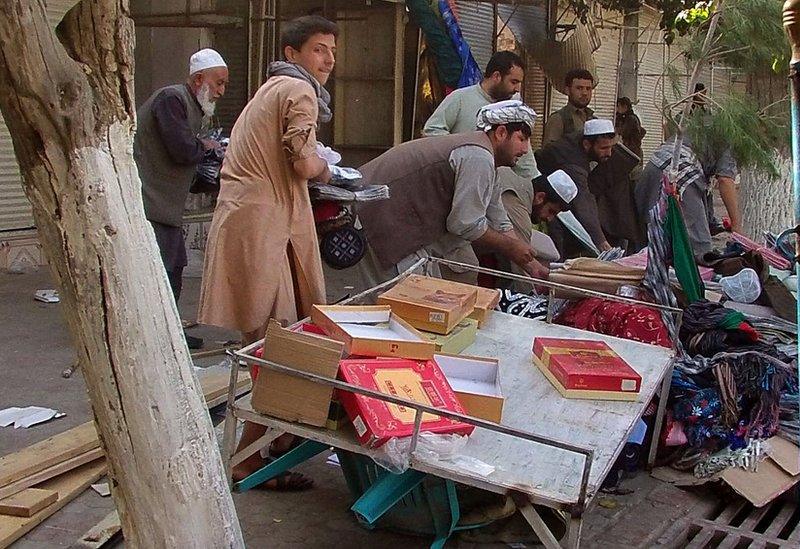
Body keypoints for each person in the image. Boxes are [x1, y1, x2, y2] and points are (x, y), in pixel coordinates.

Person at [198, 15, 339, 490]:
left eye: (332, 51)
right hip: (264, 227)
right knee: (274, 343)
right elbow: (303, 161)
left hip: (255, 220)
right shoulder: (296, 92)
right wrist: (328, 172)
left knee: (278, 337)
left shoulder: (272, 88)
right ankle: (244, 458)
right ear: (293, 52)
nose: (328, 60)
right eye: (319, 49)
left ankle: (274, 440)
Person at [348, 100, 549, 288]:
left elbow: (498, 216)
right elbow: (465, 223)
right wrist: (510, 247)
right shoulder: (478, 157)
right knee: (397, 307)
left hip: (396, 227)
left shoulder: (487, 160)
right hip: (383, 223)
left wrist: (532, 266)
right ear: (501, 133)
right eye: (521, 139)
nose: (525, 149)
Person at [134, 48, 228, 350]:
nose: (220, 92)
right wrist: (207, 146)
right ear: (199, 79)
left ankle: (169, 332)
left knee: (173, 266)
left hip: (164, 204)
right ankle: (161, 335)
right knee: (164, 269)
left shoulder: (192, 107)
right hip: (149, 201)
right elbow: (183, 150)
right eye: (218, 83)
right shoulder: (171, 99)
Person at [422, 51, 541, 283]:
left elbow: (498, 212)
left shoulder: (500, 144)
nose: (516, 89)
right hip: (449, 192)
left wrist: (529, 261)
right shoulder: (463, 104)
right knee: (461, 265)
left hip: (483, 190)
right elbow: (432, 131)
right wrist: (459, 154)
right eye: (513, 81)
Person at [635, 134, 740, 263]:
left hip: (653, 167)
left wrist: (713, 223)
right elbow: (725, 180)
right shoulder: (734, 138)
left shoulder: (705, 127)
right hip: (680, 171)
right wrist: (737, 228)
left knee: (650, 241)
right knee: (700, 250)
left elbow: (704, 191)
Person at [535, 118, 616, 254]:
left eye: (610, 147)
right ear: (586, 144)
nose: (609, 153)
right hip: (541, 202)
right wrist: (602, 242)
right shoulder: (574, 162)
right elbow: (584, 203)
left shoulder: (581, 141)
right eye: (603, 148)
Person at [542, 69, 595, 146]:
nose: (584, 93)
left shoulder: (593, 119)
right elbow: (549, 152)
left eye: (588, 89)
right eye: (579, 88)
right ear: (567, 90)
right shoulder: (558, 119)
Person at [614, 97, 645, 161]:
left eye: (619, 106)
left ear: (625, 107)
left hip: (632, 150)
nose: (617, 109)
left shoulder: (631, 118)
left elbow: (623, 131)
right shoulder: (629, 117)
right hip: (632, 149)